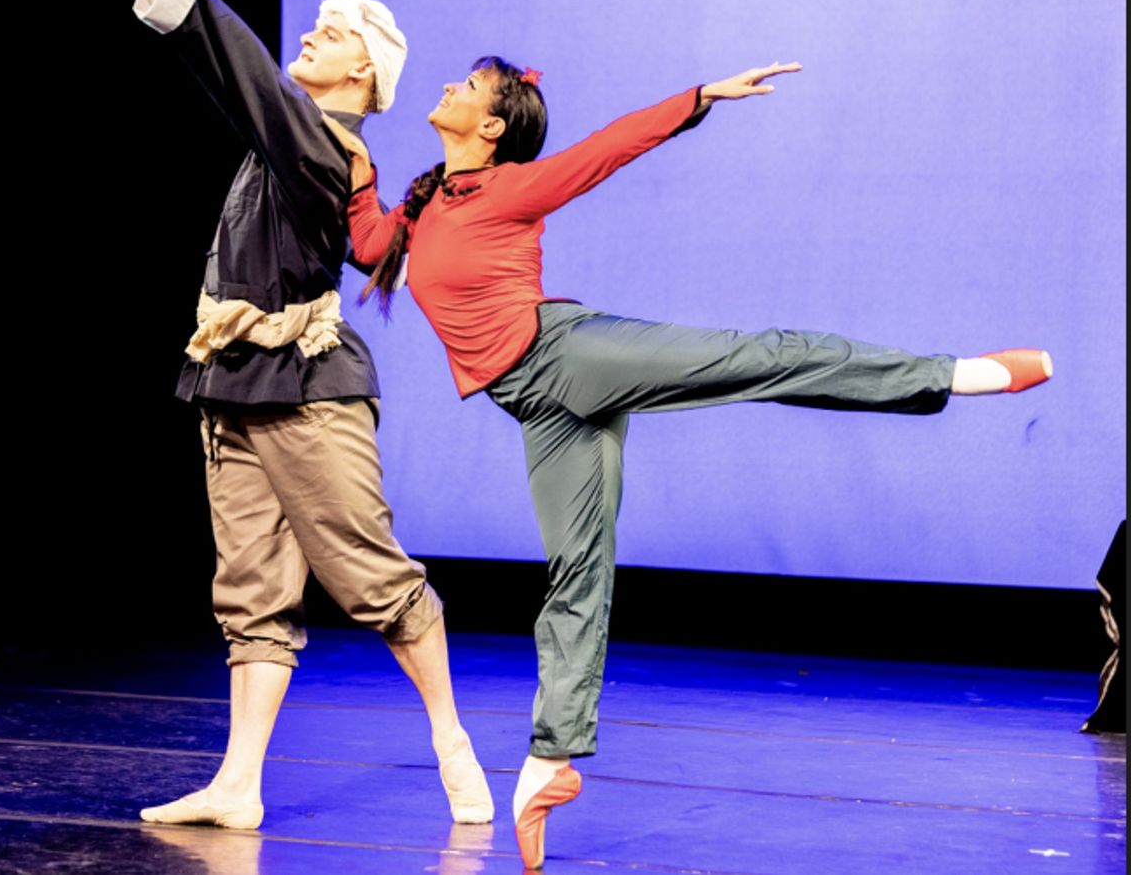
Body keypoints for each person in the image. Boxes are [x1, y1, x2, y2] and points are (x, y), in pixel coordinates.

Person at [345, 56, 1052, 867]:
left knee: (760, 357)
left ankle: (955, 375)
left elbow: (606, 149)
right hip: (534, 402)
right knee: (577, 571)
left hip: (568, 356)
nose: (448, 89)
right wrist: (356, 158)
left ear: (494, 127)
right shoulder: (429, 201)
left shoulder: (512, 187)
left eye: (468, 88)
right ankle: (549, 759)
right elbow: (370, 247)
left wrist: (697, 101)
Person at [89, 0, 493, 829]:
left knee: (370, 573)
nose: (313, 35)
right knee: (251, 588)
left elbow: (243, 77)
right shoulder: (283, 139)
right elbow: (231, 79)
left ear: (366, 70)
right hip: (233, 378)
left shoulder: (321, 142)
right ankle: (239, 784)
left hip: (309, 388)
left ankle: (450, 740)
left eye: (334, 33)